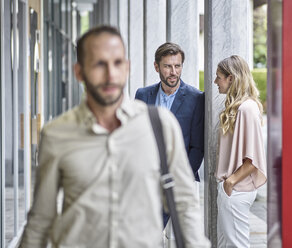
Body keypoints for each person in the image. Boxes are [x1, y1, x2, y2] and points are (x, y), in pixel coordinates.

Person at [19, 25, 210, 248]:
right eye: (99, 64)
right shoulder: (56, 135)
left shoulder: (161, 125)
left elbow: (185, 206)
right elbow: (41, 220)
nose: (111, 74)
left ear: (126, 67)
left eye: (117, 63)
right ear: (79, 71)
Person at [135, 42, 204, 226]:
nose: (173, 71)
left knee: (178, 238)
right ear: (156, 67)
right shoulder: (142, 95)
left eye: (177, 66)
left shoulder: (196, 98)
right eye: (167, 66)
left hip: (181, 183)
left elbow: (197, 146)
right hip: (148, 181)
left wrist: (181, 180)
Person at [214, 55, 267, 248]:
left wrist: (231, 182)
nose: (215, 82)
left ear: (231, 78)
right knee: (225, 245)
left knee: (237, 245)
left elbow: (252, 159)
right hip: (231, 189)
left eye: (219, 77)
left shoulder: (246, 109)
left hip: (236, 190)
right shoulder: (239, 108)